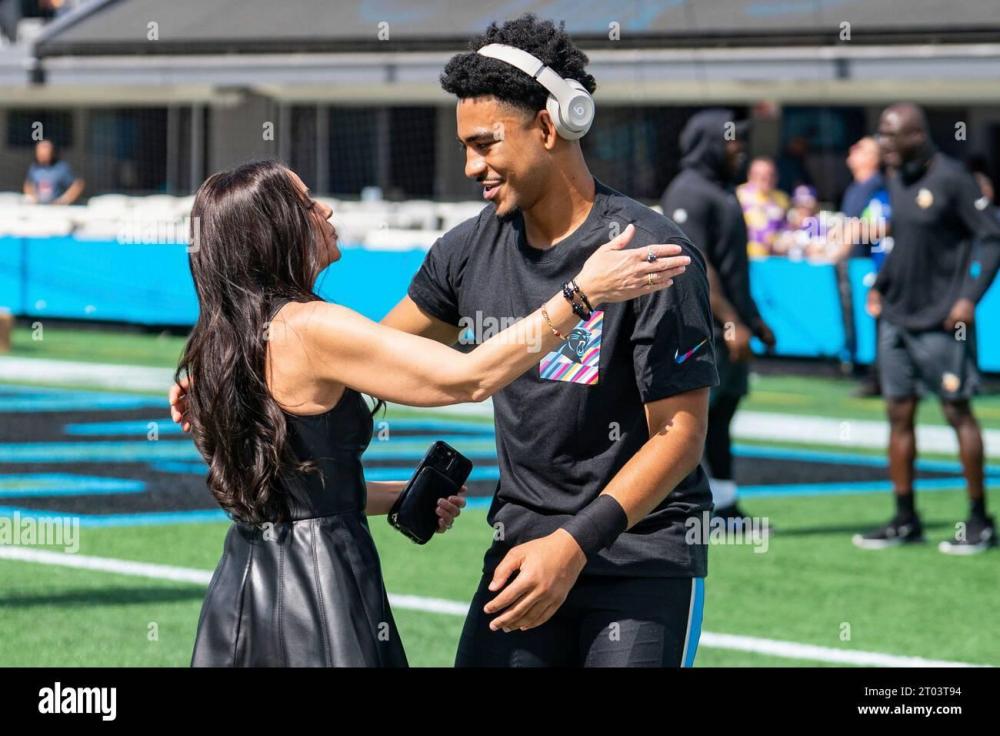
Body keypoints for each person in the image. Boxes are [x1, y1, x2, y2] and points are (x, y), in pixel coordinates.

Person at [172, 160, 689, 666]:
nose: (325, 210)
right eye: (306, 203)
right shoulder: (311, 326)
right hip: (320, 587)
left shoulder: (220, 345)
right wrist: (582, 294)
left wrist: (401, 496)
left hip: (241, 588)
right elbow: (469, 378)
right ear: (272, 230)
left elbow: (290, 496)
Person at [381, 15, 718, 667]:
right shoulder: (465, 251)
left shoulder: (650, 253)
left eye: (485, 144)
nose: (472, 167)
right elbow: (375, 356)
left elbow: (680, 435)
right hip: (520, 553)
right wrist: (241, 364)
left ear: (548, 125)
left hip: (638, 561)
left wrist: (572, 545)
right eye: (465, 148)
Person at [854, 103, 1000, 555]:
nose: (883, 143)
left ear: (916, 137)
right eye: (880, 134)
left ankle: (979, 520)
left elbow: (991, 238)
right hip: (897, 318)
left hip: (942, 321)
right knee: (898, 414)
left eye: (890, 135)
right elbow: (903, 242)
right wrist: (881, 285)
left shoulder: (953, 178)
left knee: (957, 412)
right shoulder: (896, 178)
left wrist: (967, 298)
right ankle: (905, 518)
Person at [661, 109, 776, 528]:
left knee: (722, 415)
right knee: (688, 421)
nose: (739, 148)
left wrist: (753, 318)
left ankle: (724, 506)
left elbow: (731, 266)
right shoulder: (688, 191)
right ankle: (673, 509)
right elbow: (695, 263)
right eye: (731, 140)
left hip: (727, 326)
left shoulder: (723, 190)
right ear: (709, 142)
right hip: (699, 328)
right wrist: (732, 321)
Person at [840, 136, 891, 397]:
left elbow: (875, 226)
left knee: (879, 323)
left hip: (873, 266)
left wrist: (838, 247)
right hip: (858, 266)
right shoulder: (856, 187)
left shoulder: (877, 187)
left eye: (860, 148)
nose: (852, 150)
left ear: (873, 158)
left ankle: (880, 377)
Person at [737, 157, 789, 257]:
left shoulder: (782, 199)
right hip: (746, 256)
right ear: (750, 175)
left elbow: (786, 227)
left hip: (774, 257)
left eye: (771, 175)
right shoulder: (739, 196)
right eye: (761, 175)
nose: (767, 179)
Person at [23, 139, 84, 205]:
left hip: (56, 208)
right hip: (39, 206)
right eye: (39, 152)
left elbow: (78, 184)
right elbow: (28, 184)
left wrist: (64, 200)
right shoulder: (34, 168)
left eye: (45, 152)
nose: (42, 155)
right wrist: (32, 197)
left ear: (52, 152)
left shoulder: (61, 168)